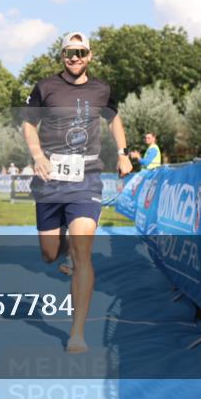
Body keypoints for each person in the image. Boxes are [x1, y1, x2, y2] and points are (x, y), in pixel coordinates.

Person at [22, 31, 133, 353]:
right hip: (51, 176)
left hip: (87, 175)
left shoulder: (102, 89)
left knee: (83, 250)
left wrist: (123, 151)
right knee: (49, 252)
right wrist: (38, 155)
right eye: (69, 53)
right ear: (62, 56)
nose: (75, 58)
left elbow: (114, 120)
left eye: (81, 52)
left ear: (90, 55)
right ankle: (64, 244)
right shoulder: (45, 87)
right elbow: (29, 124)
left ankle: (77, 333)